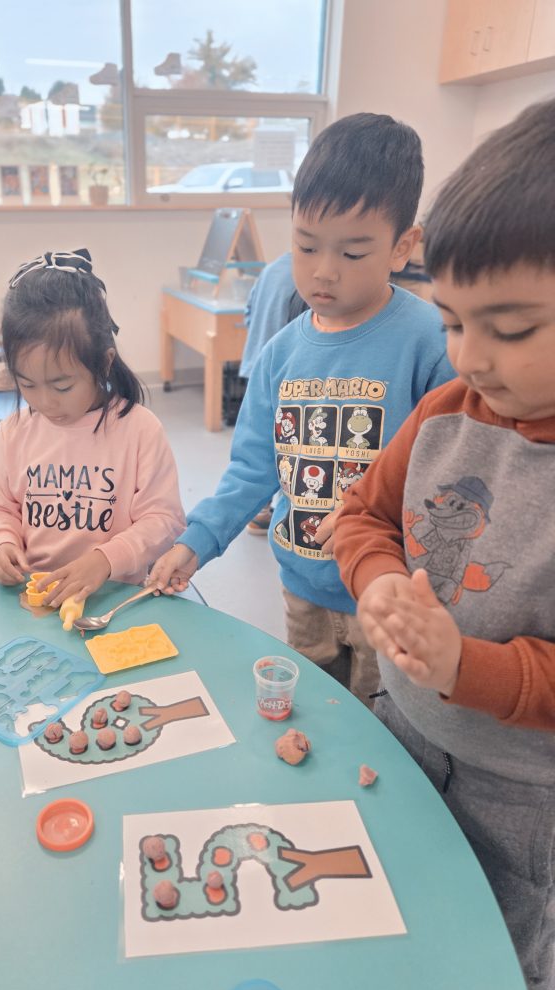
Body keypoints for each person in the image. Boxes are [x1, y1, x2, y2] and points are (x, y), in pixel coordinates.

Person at [333, 99, 555, 990]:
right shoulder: (445, 412)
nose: (472, 358)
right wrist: (380, 579)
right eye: (454, 322)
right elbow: (361, 514)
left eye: (512, 329)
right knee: (389, 914)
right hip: (401, 729)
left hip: (521, 797)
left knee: (493, 966)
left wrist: (468, 665)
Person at [149, 113, 454, 703]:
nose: (323, 270)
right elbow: (251, 470)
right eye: (306, 245)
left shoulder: (430, 341)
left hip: (389, 592)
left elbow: (451, 471)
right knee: (313, 710)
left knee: (382, 721)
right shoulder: (280, 354)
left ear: (402, 247)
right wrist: (196, 541)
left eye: (353, 252)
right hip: (302, 585)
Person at [0, 248, 186, 608]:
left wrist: (105, 560)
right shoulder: (13, 432)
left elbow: (163, 520)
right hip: (35, 596)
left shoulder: (139, 430)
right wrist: (2, 543)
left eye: (62, 386)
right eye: (27, 384)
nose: (45, 402)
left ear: (104, 363)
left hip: (114, 597)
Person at [240, 253, 309, 535]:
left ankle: (258, 510)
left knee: (259, 440)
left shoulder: (271, 268)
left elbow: (248, 313)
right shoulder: (307, 280)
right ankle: (280, 509)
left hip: (257, 362)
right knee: (286, 441)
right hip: (285, 373)